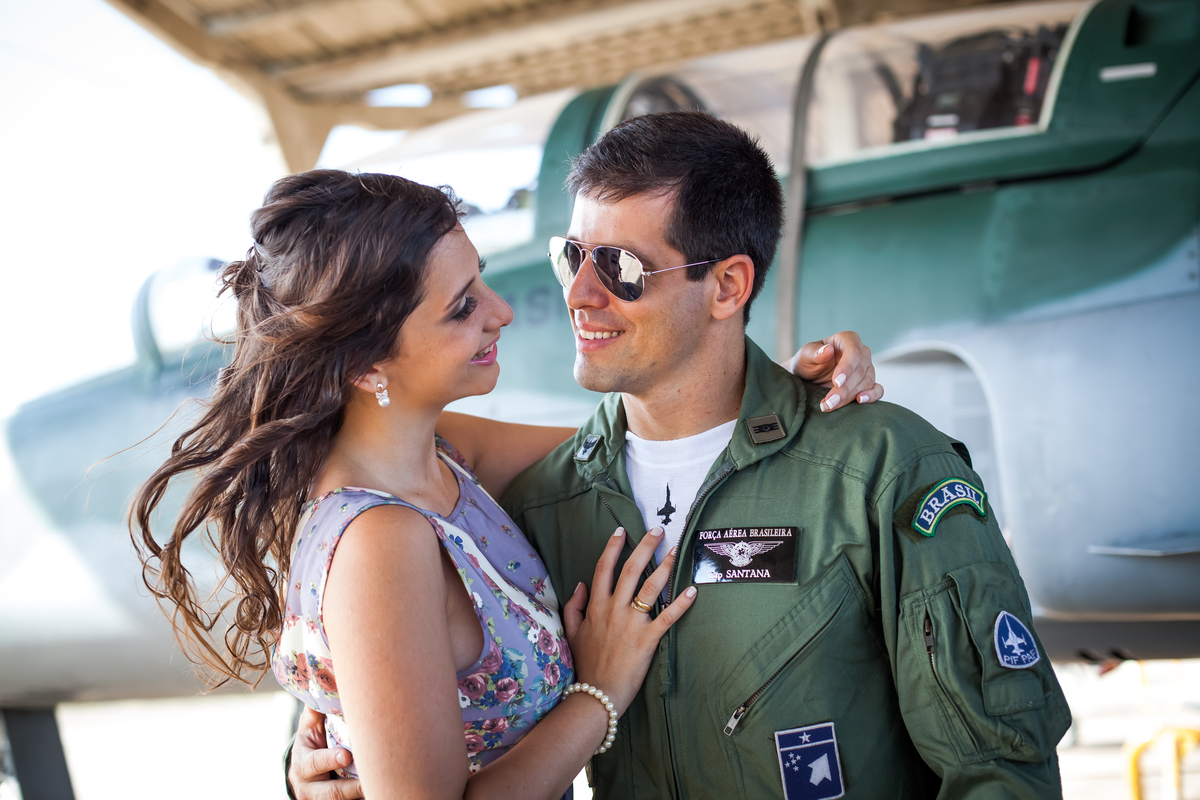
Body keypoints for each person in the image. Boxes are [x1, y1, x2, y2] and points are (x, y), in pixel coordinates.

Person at [291, 112, 1070, 799]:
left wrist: (816, 427)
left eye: (621, 269)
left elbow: (1000, 769)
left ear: (728, 286)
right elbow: (383, 692)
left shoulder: (877, 469)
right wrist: (314, 765)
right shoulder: (537, 503)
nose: (579, 296)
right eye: (574, 257)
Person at [127, 170, 880, 800]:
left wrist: (793, 386)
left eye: (480, 281)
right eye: (461, 307)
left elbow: (668, 441)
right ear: (366, 367)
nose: (503, 312)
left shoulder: (448, 458)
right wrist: (602, 690)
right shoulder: (381, 540)